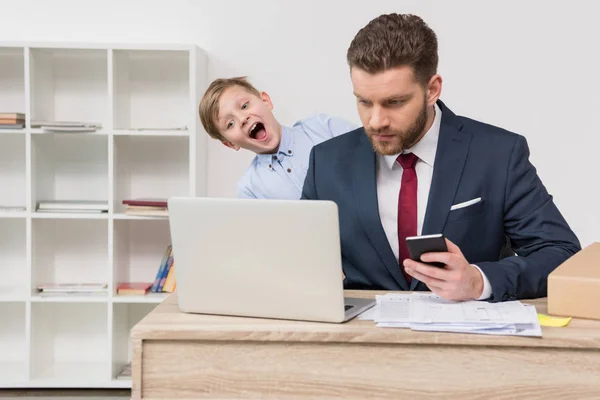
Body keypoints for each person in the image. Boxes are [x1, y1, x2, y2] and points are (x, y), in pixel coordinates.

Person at [301, 13, 581, 302]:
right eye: (364, 101)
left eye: (394, 102)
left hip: (465, 340)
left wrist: (479, 280)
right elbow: (297, 259)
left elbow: (561, 254)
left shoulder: (498, 154)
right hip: (358, 340)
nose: (375, 121)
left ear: (432, 89)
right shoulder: (326, 162)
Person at [199, 77, 357, 199]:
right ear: (230, 144)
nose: (242, 119)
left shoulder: (323, 128)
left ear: (266, 101)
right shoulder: (250, 189)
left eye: (244, 106)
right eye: (230, 123)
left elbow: (374, 161)